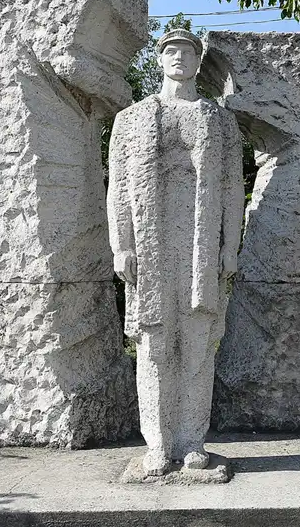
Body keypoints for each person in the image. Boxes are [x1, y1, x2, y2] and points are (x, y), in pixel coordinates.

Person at [107, 29, 245, 476]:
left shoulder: (219, 121)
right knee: (154, 344)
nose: (178, 59)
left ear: (197, 61)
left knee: (198, 344)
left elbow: (230, 189)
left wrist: (229, 247)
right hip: (151, 246)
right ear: (160, 58)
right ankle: (158, 444)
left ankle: (191, 441)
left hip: (199, 244)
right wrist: (121, 245)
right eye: (170, 51)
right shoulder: (130, 119)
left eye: (187, 52)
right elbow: (117, 191)